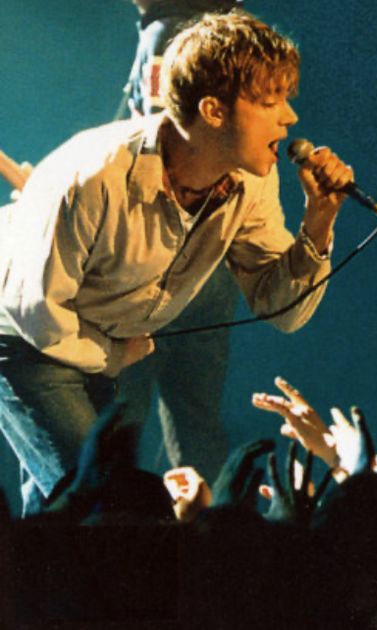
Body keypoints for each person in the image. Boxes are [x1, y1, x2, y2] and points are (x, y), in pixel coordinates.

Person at [0, 11, 354, 515]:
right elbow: (39, 316)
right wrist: (113, 355)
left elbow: (285, 311)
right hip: (23, 336)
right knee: (103, 506)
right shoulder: (94, 176)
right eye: (270, 101)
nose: (290, 118)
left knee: (61, 519)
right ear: (212, 110)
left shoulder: (250, 181)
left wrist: (318, 222)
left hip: (100, 339)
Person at [117, 0, 245, 486]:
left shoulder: (168, 35)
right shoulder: (220, 29)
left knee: (118, 425)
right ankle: (204, 544)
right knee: (196, 429)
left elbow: (156, 148)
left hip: (151, 270)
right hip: (209, 264)